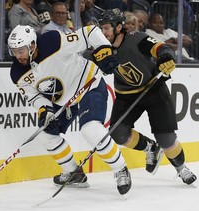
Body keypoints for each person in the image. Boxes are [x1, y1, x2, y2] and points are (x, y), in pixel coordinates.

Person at [8, 24, 132, 195]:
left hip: (88, 84)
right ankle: (74, 173)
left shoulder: (53, 41)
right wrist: (45, 110)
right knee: (45, 135)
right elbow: (34, 96)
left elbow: (90, 32)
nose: (17, 55)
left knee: (91, 130)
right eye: (13, 51)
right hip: (63, 102)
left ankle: (120, 169)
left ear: (32, 45)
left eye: (20, 50)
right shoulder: (17, 73)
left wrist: (104, 50)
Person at [98, 8, 197, 185]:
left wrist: (166, 56)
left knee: (166, 138)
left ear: (118, 27)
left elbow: (161, 48)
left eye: (106, 28)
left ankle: (181, 168)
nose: (103, 32)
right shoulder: (100, 47)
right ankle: (150, 148)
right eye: (101, 28)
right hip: (125, 94)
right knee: (118, 133)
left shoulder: (136, 39)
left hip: (153, 89)